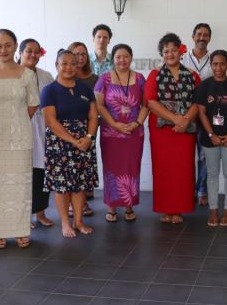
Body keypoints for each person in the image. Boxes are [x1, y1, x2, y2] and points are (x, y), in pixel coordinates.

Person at [0, 29, 39, 249]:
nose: (3, 50)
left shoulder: (27, 74)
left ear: (15, 46)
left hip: (20, 136)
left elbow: (33, 103)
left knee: (21, 184)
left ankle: (19, 230)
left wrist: (17, 122)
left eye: (8, 45)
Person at [41, 50, 99, 238]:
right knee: (62, 185)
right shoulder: (49, 90)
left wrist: (89, 137)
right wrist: (74, 140)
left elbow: (93, 115)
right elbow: (51, 121)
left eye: (72, 63)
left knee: (80, 184)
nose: (68, 67)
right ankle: (65, 223)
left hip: (84, 142)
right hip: (60, 143)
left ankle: (79, 221)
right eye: (64, 63)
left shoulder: (85, 89)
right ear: (57, 66)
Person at [144, 33, 200, 224]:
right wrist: (175, 118)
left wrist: (184, 121)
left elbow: (197, 102)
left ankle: (179, 209)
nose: (170, 54)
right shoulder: (154, 75)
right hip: (161, 131)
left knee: (183, 170)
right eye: (166, 51)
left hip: (185, 130)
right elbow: (151, 102)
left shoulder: (192, 75)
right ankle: (166, 209)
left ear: (180, 51)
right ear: (162, 53)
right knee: (163, 169)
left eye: (174, 50)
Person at [95, 44, 148, 223]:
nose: (122, 60)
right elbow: (99, 105)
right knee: (111, 168)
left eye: (125, 56)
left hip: (134, 133)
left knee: (131, 168)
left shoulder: (140, 79)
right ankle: (111, 206)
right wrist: (115, 124)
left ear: (131, 58)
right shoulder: (104, 79)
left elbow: (147, 104)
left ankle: (129, 205)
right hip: (111, 133)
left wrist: (137, 122)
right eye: (118, 56)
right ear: (113, 59)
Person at [194, 50, 227, 227]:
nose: (218, 68)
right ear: (211, 65)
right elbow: (201, 113)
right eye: (215, 64)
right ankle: (213, 210)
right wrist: (211, 135)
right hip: (209, 139)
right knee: (212, 175)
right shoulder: (204, 86)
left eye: (222, 64)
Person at [18, 38, 55, 228]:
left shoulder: (46, 76)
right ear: (20, 53)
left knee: (42, 173)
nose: (33, 55)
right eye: (28, 51)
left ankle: (40, 213)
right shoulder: (13, 74)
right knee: (23, 174)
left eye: (36, 52)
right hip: (19, 128)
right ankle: (23, 216)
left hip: (42, 129)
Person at [181, 23, 213, 206]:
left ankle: (201, 190)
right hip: (184, 114)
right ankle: (185, 190)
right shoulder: (182, 58)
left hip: (205, 116)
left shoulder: (214, 60)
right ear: (193, 36)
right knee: (185, 156)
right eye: (199, 34)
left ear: (209, 38)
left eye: (206, 35)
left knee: (203, 156)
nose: (202, 38)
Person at [67, 41, 97, 216]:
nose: (80, 57)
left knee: (85, 166)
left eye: (83, 54)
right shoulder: (64, 76)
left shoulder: (94, 79)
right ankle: (71, 204)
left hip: (88, 128)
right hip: (67, 128)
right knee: (70, 167)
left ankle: (83, 203)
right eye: (76, 54)